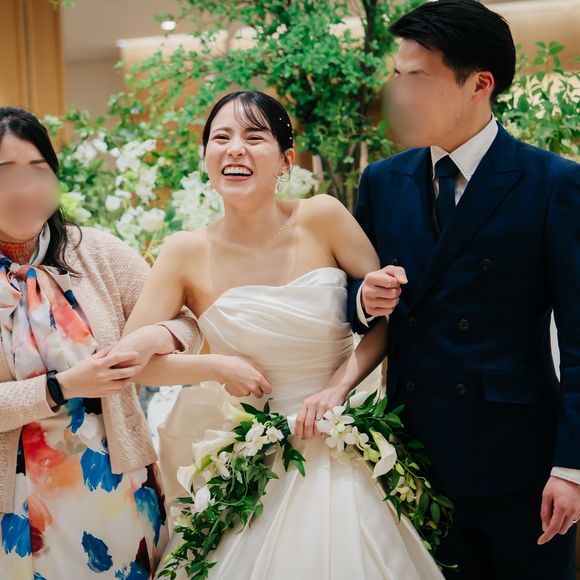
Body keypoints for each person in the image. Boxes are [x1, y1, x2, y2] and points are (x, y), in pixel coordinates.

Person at [117, 90, 443, 579]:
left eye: (254, 138)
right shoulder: (184, 251)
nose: (235, 149)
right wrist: (215, 366)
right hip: (252, 452)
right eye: (221, 138)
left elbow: (385, 319)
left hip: (338, 437)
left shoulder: (322, 217)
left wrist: (337, 389)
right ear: (205, 156)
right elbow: (132, 362)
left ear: (286, 160)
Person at [346, 1, 580, 579]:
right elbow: (348, 291)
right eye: (398, 77)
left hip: (518, 460)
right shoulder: (383, 180)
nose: (401, 95)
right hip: (411, 453)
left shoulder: (552, 183)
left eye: (419, 78)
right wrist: (363, 299)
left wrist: (571, 467)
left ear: (480, 84)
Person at [0, 106, 208, 579]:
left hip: (117, 489)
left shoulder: (96, 251)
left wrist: (156, 334)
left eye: (37, 170)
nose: (24, 189)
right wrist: (62, 386)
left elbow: (191, 321)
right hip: (16, 506)